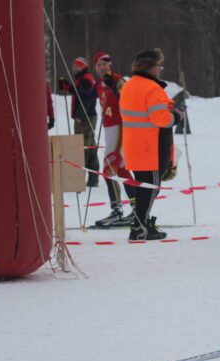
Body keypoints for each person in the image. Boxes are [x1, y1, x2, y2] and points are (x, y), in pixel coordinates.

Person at [120, 48, 183, 241]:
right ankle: (139, 227)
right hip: (151, 148)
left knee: (143, 187)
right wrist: (176, 117)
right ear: (150, 67)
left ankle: (143, 223)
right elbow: (160, 118)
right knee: (151, 187)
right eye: (159, 65)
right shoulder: (152, 88)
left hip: (135, 146)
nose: (160, 69)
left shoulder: (129, 86)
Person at [92, 51, 138, 228]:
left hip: (119, 127)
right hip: (108, 129)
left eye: (105, 64)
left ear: (110, 65)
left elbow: (129, 100)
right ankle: (129, 208)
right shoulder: (99, 84)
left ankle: (122, 209)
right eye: (98, 65)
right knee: (118, 169)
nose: (102, 67)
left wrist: (116, 90)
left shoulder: (118, 80)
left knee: (110, 167)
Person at [70, 56, 100, 187]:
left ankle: (84, 178)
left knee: (84, 147)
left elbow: (86, 100)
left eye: (76, 66)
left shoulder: (86, 79)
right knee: (89, 146)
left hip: (85, 117)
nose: (74, 68)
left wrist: (79, 115)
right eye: (74, 66)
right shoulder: (83, 78)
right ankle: (93, 178)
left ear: (82, 67)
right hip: (87, 116)